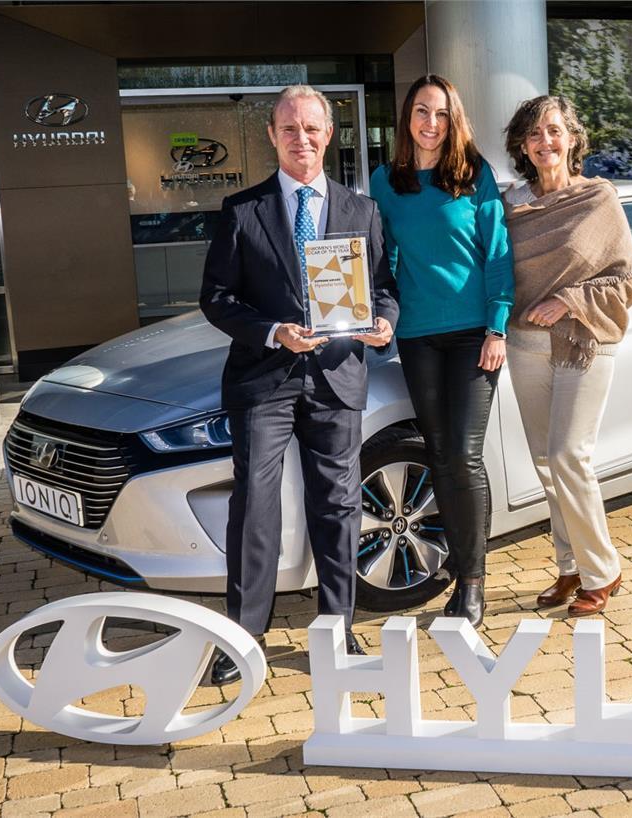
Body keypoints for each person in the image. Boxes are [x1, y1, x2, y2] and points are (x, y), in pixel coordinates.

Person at [200, 85, 398, 685]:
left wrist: (386, 319)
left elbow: (385, 284)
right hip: (265, 381)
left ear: (329, 134)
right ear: (272, 135)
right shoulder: (242, 209)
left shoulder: (361, 211)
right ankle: (243, 639)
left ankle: (337, 631)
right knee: (255, 507)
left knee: (338, 505)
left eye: (312, 128)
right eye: (290, 128)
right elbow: (217, 299)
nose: (302, 138)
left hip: (337, 376)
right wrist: (271, 332)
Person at [369, 75, 514, 627]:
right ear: (407, 119)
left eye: (442, 114)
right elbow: (377, 260)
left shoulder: (473, 176)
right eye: (422, 112)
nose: (431, 124)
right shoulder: (386, 182)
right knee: (437, 452)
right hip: (417, 336)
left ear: (455, 122)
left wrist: (498, 327)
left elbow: (497, 256)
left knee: (463, 452)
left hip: (474, 334)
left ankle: (473, 581)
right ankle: (458, 555)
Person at [502, 95, 632, 616]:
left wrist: (569, 300)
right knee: (544, 463)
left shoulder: (597, 198)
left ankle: (603, 570)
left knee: (568, 456)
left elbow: (625, 278)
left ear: (572, 138)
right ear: (522, 145)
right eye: (534, 134)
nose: (545, 142)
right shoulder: (511, 205)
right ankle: (571, 567)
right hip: (525, 343)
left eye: (554, 131)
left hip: (584, 339)